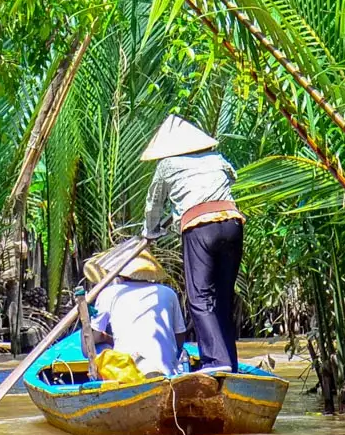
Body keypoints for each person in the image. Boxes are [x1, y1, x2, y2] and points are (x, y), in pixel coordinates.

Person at [141, 115, 243, 373]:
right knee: (222, 297)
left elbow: (153, 205)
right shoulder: (216, 159)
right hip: (232, 223)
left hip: (200, 228)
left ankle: (216, 362)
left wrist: (150, 232)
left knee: (200, 298)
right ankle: (230, 361)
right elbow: (231, 179)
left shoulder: (167, 165)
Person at [86, 246, 188, 378]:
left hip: (130, 373)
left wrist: (104, 338)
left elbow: (91, 340)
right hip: (167, 371)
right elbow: (179, 338)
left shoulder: (109, 294)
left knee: (100, 347)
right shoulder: (168, 293)